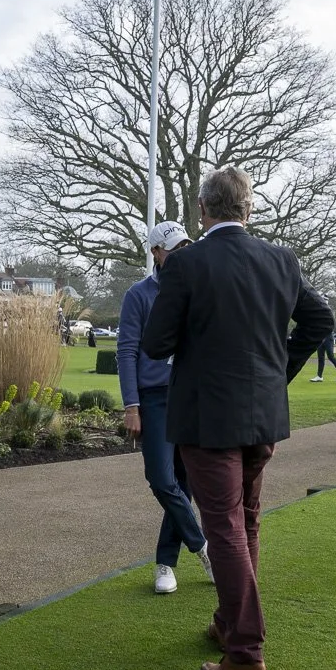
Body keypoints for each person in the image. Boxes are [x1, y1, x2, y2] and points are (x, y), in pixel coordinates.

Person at [141, 166, 333, 670]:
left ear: (204, 211)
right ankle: (229, 624)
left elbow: (156, 344)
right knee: (244, 521)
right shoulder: (281, 260)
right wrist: (277, 373)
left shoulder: (186, 264)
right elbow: (321, 321)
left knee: (224, 525)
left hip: (208, 418)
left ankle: (245, 653)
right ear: (248, 209)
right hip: (261, 416)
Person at [118, 221, 211, 596]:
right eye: (174, 247)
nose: (182, 253)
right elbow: (126, 352)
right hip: (155, 395)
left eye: (186, 245)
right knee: (160, 478)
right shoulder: (138, 294)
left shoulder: (198, 289)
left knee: (184, 480)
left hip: (190, 393)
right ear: (156, 252)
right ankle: (203, 547)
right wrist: (131, 405)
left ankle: (165, 563)